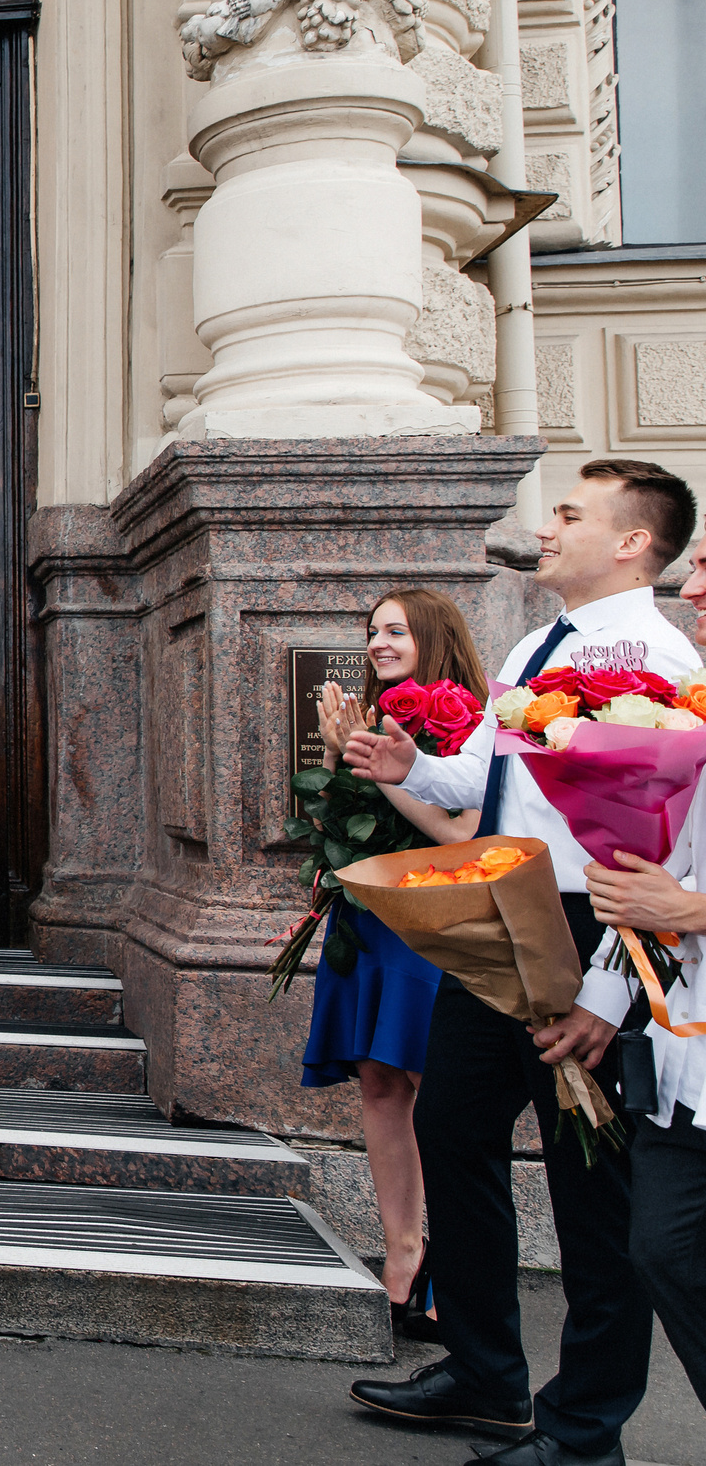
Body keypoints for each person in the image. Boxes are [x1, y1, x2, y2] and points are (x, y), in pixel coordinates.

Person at [348, 458, 702, 1466]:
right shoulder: (539, 641)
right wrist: (411, 767)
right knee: (452, 1124)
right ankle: (485, 1372)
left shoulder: (659, 658)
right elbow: (491, 773)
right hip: (507, 908)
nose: (544, 527)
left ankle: (585, 1428)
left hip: (596, 926)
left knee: (592, 1184)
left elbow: (660, 832)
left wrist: (612, 982)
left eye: (569, 513)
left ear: (631, 541)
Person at [304, 587, 488, 1340]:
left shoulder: (474, 719)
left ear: (433, 637)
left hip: (434, 916)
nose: (378, 642)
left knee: (432, 1088)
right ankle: (403, 1253)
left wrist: (388, 770)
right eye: (372, 630)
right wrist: (336, 752)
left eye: (396, 630)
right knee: (379, 1081)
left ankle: (461, 1262)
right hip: (369, 915)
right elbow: (329, 821)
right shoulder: (371, 715)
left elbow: (462, 833)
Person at [553, 522, 706, 1410]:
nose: (690, 588)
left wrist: (692, 910)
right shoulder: (691, 714)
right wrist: (604, 998)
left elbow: (681, 898)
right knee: (663, 1249)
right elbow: (663, 874)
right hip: (687, 1054)